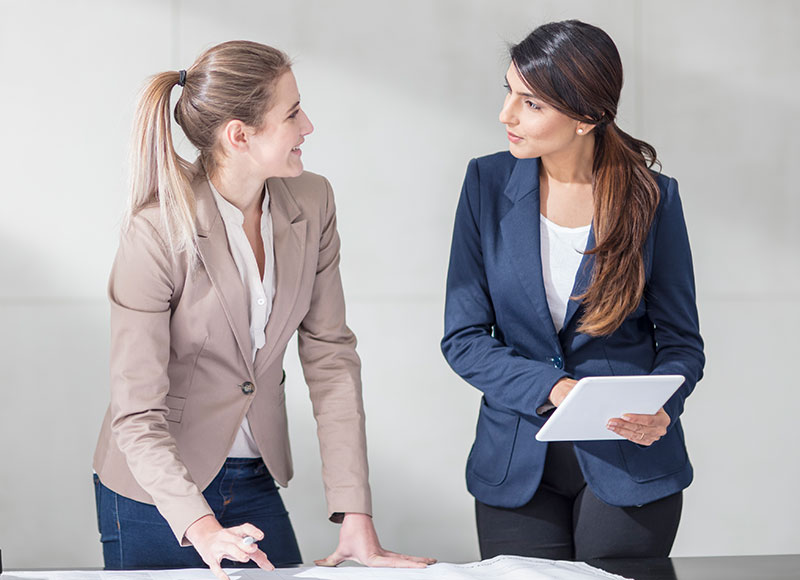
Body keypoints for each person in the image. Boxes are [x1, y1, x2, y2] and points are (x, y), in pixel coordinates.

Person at [93, 40, 434, 579]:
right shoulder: (156, 231)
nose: (309, 126)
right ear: (239, 135)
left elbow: (330, 356)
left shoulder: (313, 200)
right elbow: (135, 413)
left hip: (253, 473)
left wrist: (354, 510)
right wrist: (200, 527)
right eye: (293, 113)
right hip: (155, 491)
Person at [441, 20, 704, 561]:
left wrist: (665, 406)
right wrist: (555, 388)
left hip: (630, 463)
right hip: (515, 465)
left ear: (586, 117)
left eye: (531, 104)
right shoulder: (485, 184)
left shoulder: (653, 198)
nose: (506, 115)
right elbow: (463, 338)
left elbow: (681, 343)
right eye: (508, 93)